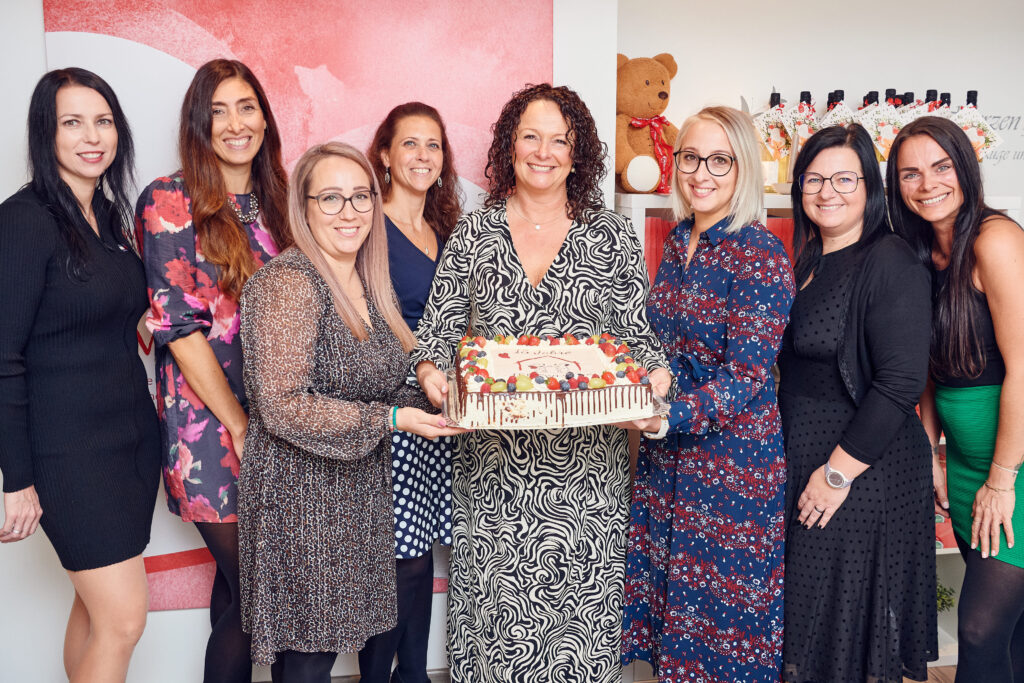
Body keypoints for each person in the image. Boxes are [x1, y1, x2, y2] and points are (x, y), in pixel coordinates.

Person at [411, 83, 671, 682]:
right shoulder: (473, 235)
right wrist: (430, 375)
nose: (544, 151)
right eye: (531, 136)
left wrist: (654, 375)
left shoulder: (611, 235)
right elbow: (435, 337)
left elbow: (638, 338)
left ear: (578, 153)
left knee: (576, 647)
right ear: (509, 146)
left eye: (561, 139)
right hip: (493, 482)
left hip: (586, 485)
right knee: (494, 640)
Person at [237, 142, 464, 682]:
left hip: (356, 492)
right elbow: (282, 405)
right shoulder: (290, 283)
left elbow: (378, 385)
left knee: (337, 643)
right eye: (331, 198)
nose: (350, 212)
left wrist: (440, 393)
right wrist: (391, 421)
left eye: (360, 197)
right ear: (304, 206)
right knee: (309, 659)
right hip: (302, 498)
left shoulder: (365, 280)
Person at [620, 106, 795, 683]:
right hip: (669, 456)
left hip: (731, 467)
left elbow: (747, 378)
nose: (702, 173)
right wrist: (647, 384)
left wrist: (668, 416)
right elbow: (664, 345)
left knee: (723, 633)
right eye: (691, 157)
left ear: (744, 167)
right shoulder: (676, 242)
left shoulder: (761, 254)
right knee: (673, 616)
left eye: (720, 160)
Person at [0, 68, 159, 682]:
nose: (92, 136)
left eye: (103, 121)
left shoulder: (108, 218)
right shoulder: (23, 220)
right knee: (122, 621)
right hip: (69, 453)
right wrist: (17, 478)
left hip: (128, 443)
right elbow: (4, 357)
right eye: (73, 122)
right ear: (47, 132)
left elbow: (105, 314)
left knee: (95, 614)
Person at [135, 59, 291, 683]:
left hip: (278, 419)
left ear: (264, 117)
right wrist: (239, 423)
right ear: (199, 123)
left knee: (237, 592)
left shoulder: (276, 198)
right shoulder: (170, 200)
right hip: (211, 428)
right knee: (258, 593)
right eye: (218, 110)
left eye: (247, 106)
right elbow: (176, 327)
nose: (235, 123)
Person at [778, 124, 936, 682]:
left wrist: (836, 475)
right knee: (807, 627)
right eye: (814, 179)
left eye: (845, 178)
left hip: (862, 471)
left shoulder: (890, 260)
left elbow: (898, 383)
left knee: (838, 634)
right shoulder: (806, 258)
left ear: (871, 187)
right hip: (807, 457)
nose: (828, 191)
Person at [889, 116, 1024, 683]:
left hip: (1011, 469)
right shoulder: (920, 253)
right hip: (968, 469)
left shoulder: (997, 240)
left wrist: (1000, 480)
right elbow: (924, 374)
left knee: (978, 630)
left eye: (941, 167)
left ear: (965, 169)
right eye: (910, 173)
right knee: (1011, 637)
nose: (927, 184)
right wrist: (931, 457)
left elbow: (1023, 368)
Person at [358, 102, 463, 683]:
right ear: (385, 155)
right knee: (394, 554)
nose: (423, 156)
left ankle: (414, 673)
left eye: (434, 146)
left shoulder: (448, 229)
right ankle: (379, 675)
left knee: (421, 554)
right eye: (410, 144)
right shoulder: (367, 223)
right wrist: (424, 359)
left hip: (444, 401)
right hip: (393, 401)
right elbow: (370, 310)